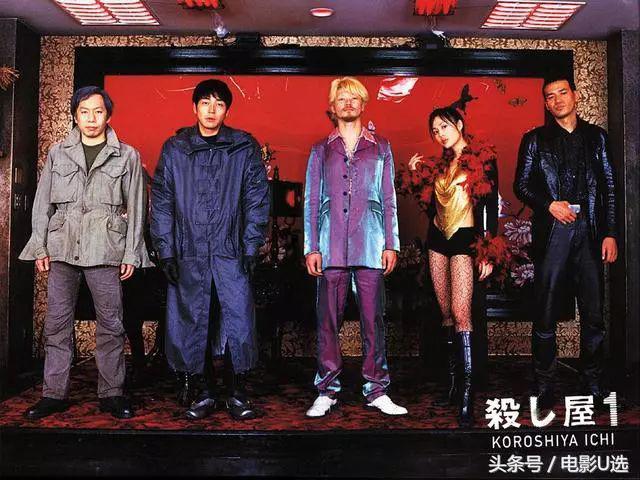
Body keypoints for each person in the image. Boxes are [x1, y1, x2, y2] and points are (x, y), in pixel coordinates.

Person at [20, 86, 151, 419]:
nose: (91, 119)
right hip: (62, 248)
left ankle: (112, 393)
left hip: (106, 249)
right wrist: (39, 245)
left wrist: (131, 253)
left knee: (111, 323)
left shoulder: (127, 155)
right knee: (56, 323)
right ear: (75, 116)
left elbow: (137, 208)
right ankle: (53, 394)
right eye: (84, 112)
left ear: (108, 115)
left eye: (98, 111)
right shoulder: (58, 153)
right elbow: (42, 202)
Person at [150, 79, 270, 421]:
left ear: (227, 110)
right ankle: (203, 391)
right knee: (193, 319)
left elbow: (257, 199)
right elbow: (162, 202)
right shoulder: (176, 149)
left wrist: (251, 246)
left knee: (237, 319)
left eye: (219, 103)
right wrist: (166, 251)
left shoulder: (243, 147)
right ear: (194, 107)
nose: (211, 110)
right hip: (189, 250)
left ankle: (236, 392)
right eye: (205, 102)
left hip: (231, 250)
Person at [303, 76, 407, 418]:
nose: (347, 103)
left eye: (354, 98)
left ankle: (377, 389)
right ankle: (327, 390)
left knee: (373, 321)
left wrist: (391, 243)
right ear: (332, 107)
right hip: (330, 246)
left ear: (363, 104)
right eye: (341, 98)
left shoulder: (381, 147)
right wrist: (311, 247)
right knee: (327, 321)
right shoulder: (320, 149)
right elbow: (311, 200)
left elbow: (389, 198)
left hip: (371, 243)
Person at [514, 76, 617, 409]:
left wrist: (610, 233)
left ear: (575, 95)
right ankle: (545, 384)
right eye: (549, 96)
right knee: (545, 310)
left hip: (589, 230)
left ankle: (593, 382)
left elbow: (609, 187)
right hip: (554, 231)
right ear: (545, 103)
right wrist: (549, 205)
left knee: (593, 312)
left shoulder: (597, 137)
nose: (557, 100)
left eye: (562, 93)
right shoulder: (534, 139)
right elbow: (521, 186)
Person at [409, 106, 498, 427]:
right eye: (435, 131)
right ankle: (452, 384)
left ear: (459, 124)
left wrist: (487, 250)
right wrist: (416, 176)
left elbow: (489, 206)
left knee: (462, 313)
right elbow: (431, 205)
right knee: (445, 312)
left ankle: (467, 394)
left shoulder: (483, 158)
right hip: (437, 239)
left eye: (444, 126)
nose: (440, 134)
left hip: (465, 239)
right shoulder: (439, 166)